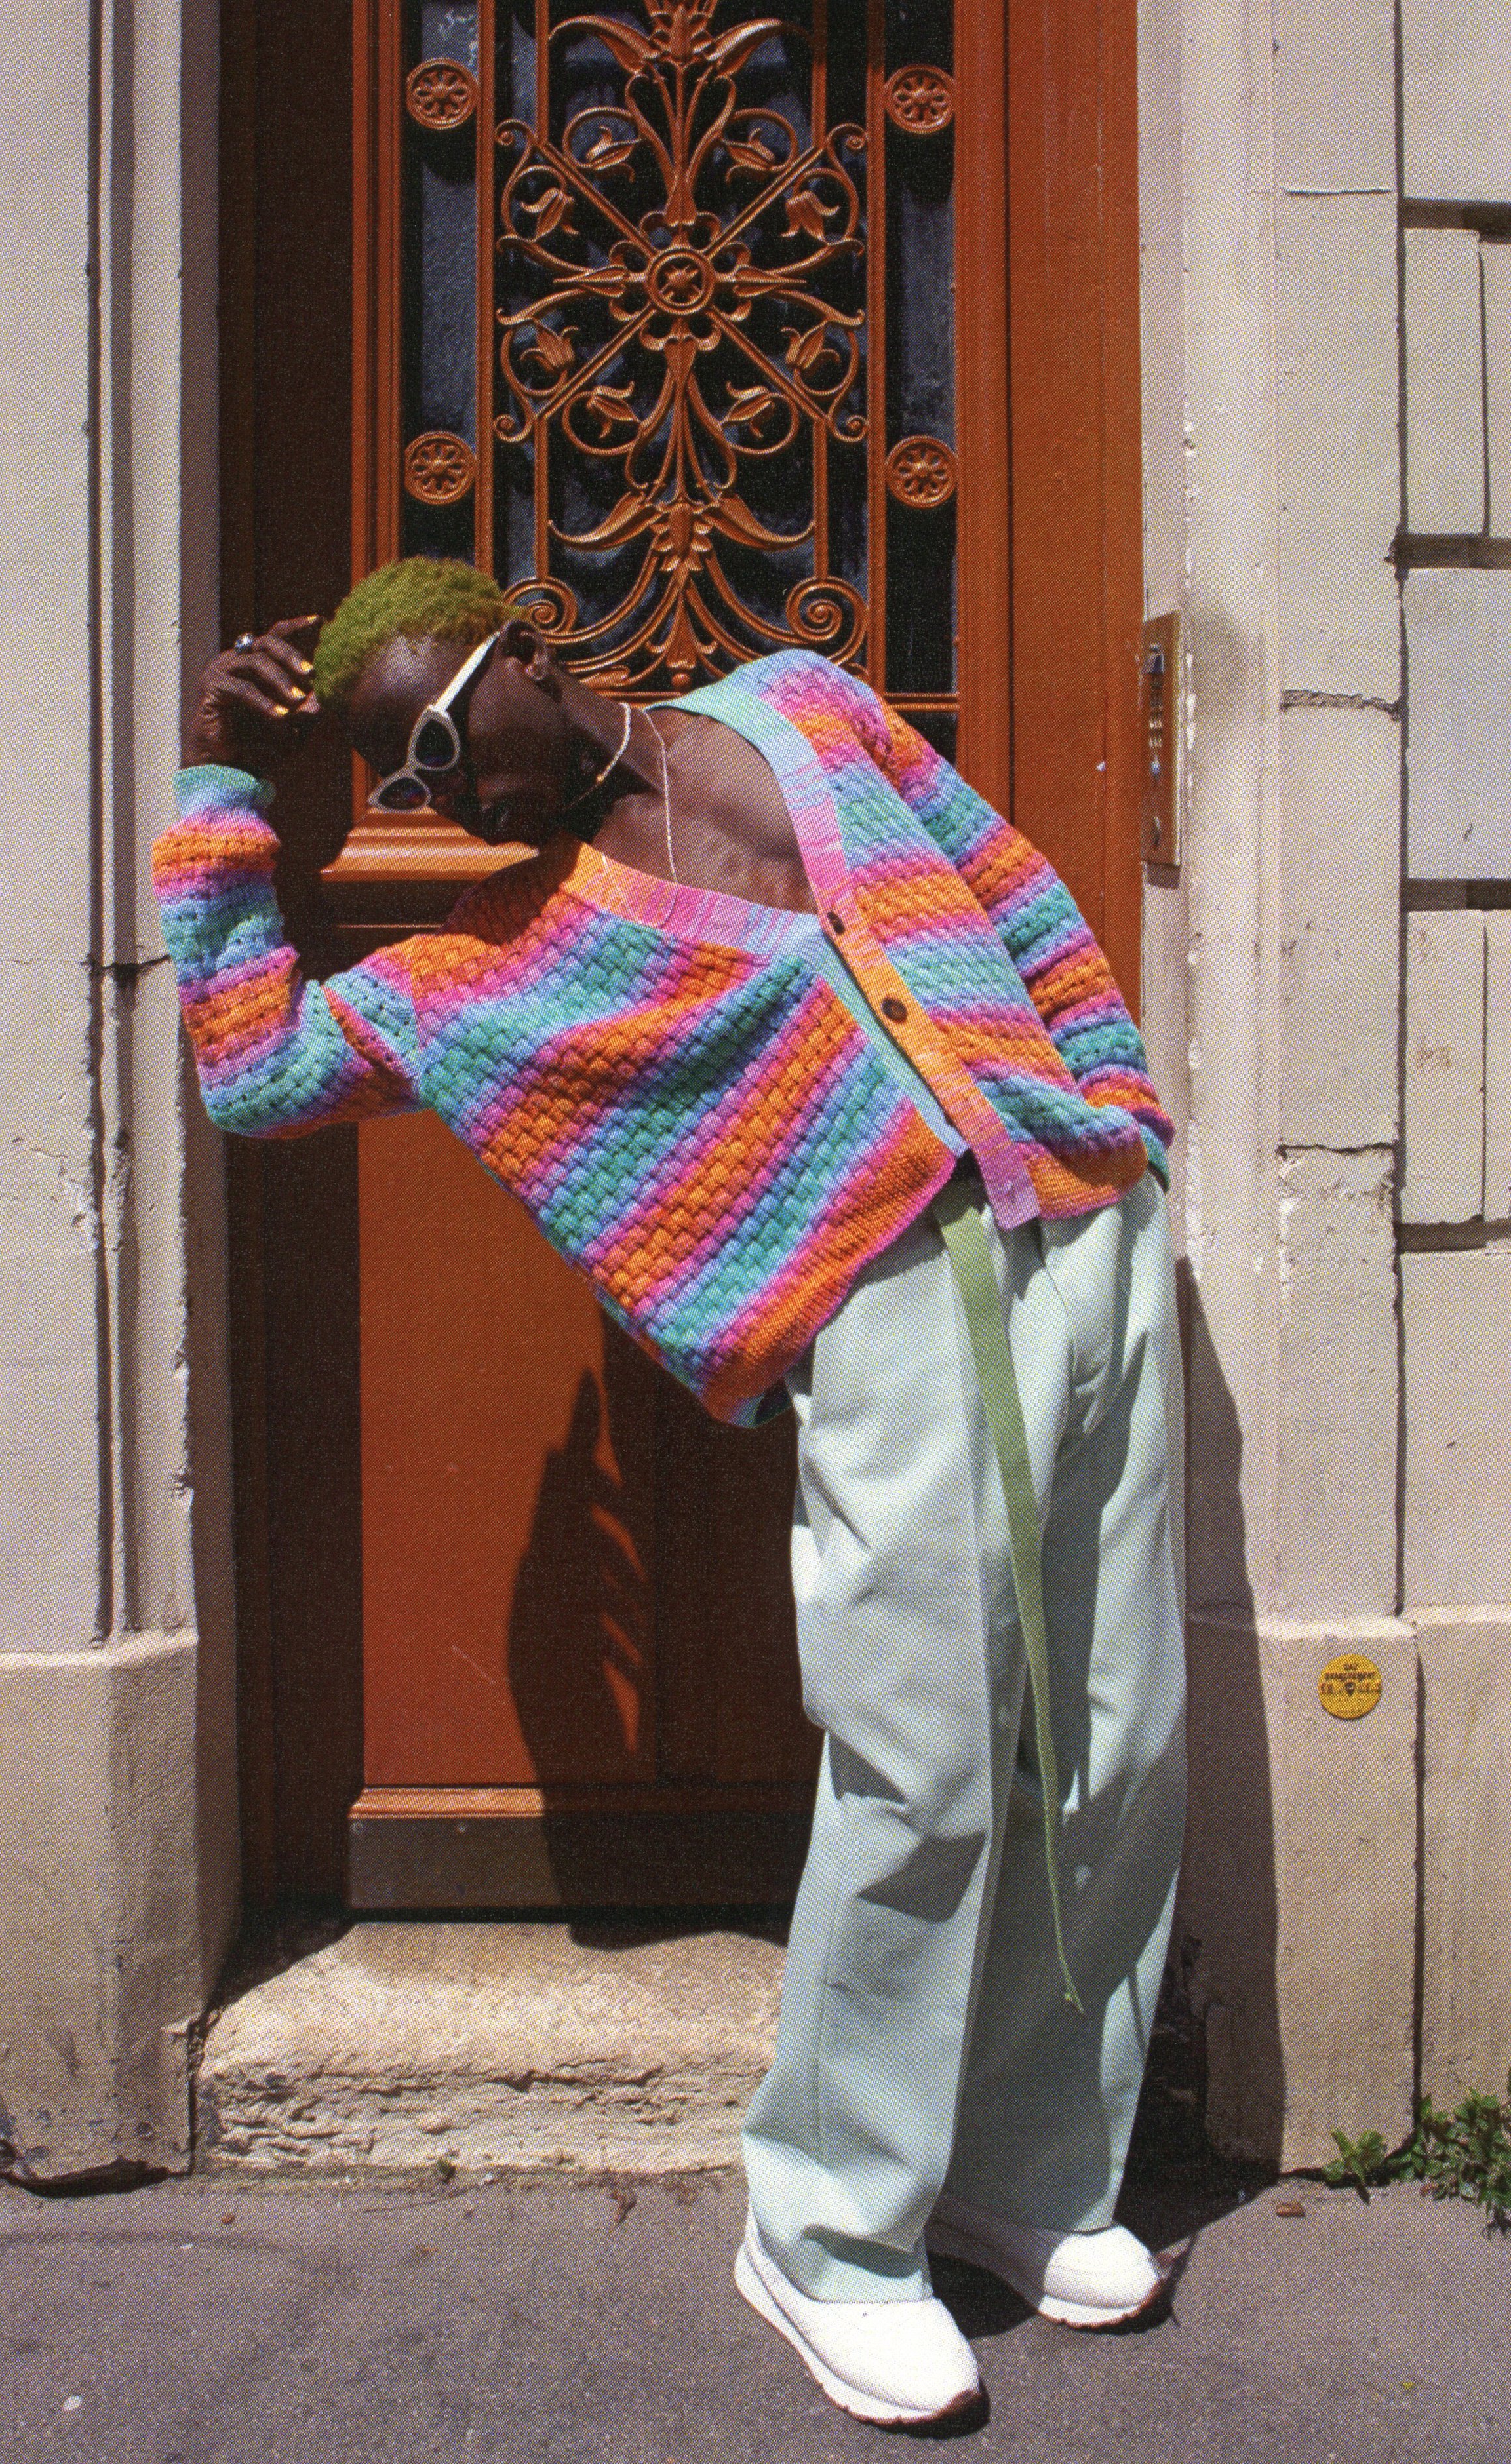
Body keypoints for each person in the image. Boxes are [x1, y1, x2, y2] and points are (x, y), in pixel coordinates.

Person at [155, 557, 1186, 2429]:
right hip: (873, 1318)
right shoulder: (495, 958)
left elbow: (1013, 887)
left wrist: (1111, 1095)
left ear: (534, 652)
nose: (447, 795)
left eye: (447, 738)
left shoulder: (804, 700)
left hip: (1082, 1229)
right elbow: (255, 1070)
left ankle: (1025, 2179)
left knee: (1112, 1744)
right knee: (930, 1765)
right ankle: (826, 2234)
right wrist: (227, 792)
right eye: (402, 777)